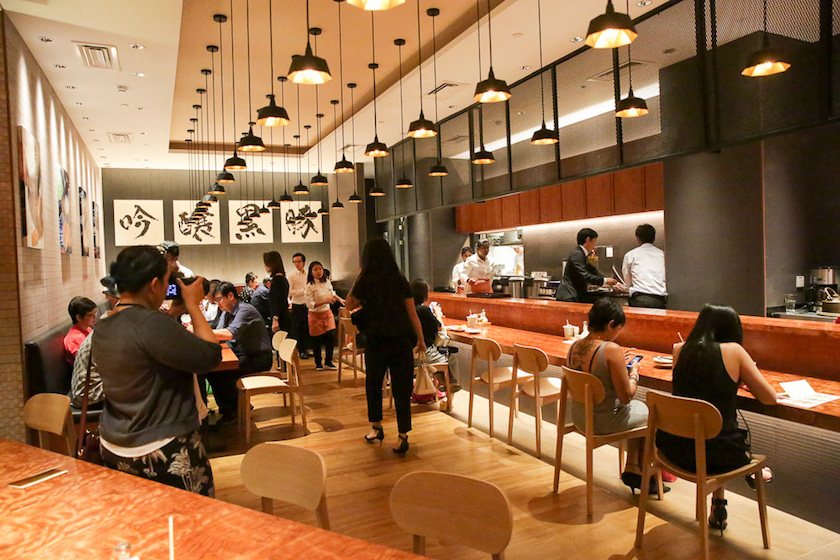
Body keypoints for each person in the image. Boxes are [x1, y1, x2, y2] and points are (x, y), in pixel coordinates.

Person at [92, 246, 221, 496]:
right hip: (161, 447)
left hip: (114, 443)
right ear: (154, 284)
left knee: (144, 524)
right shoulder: (151, 323)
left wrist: (173, 313)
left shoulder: (105, 323)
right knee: (193, 524)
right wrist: (193, 306)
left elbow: (147, 350)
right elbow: (210, 356)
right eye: (165, 282)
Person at [656, 304, 777, 533]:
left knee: (708, 430)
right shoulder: (734, 351)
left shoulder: (679, 349)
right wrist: (742, 376)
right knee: (719, 434)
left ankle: (718, 505)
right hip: (717, 456)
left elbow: (697, 386)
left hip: (674, 451)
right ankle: (750, 468)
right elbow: (769, 398)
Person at [565, 299, 662, 494]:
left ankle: (633, 467)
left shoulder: (574, 346)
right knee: (652, 413)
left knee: (638, 409)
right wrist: (634, 374)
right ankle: (649, 478)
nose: (617, 334)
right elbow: (626, 396)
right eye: (618, 329)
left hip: (579, 416)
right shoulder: (611, 350)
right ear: (610, 324)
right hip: (602, 422)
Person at [346, 238, 426, 455]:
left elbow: (348, 304)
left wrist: (360, 275)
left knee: (373, 385)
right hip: (401, 341)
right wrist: (421, 340)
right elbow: (412, 314)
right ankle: (403, 436)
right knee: (402, 389)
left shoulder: (365, 281)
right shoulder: (400, 280)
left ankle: (377, 428)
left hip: (376, 341)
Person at [210, 281, 273, 425]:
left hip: (259, 358)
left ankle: (233, 411)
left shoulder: (245, 310)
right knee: (212, 371)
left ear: (231, 296)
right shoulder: (227, 313)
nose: (218, 303)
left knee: (221, 373)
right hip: (244, 354)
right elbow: (219, 333)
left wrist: (201, 332)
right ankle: (235, 407)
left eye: (219, 299)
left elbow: (229, 334)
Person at [411, 279, 459, 386]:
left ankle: (436, 390)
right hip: (421, 355)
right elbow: (439, 327)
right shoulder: (423, 310)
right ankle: (450, 389)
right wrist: (437, 313)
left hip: (404, 356)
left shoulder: (404, 310)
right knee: (450, 358)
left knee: (439, 354)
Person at [305, 261, 344, 371]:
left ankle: (328, 361)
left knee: (330, 337)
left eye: (320, 269)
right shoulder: (309, 287)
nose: (318, 272)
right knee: (317, 340)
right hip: (315, 315)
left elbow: (332, 293)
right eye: (315, 269)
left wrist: (340, 299)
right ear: (311, 272)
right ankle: (318, 363)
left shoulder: (327, 282)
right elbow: (310, 305)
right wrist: (324, 301)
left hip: (327, 313)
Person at [564, 228, 619, 303]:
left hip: (575, 294)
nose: (595, 245)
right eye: (594, 241)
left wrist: (611, 281)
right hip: (570, 295)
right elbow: (584, 275)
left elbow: (593, 270)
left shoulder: (581, 254)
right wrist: (605, 281)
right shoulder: (577, 254)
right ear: (588, 240)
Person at [622, 224, 667, 309]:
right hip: (659, 300)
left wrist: (628, 288)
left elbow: (626, 277)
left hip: (639, 299)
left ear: (638, 238)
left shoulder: (631, 255)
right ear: (654, 238)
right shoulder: (663, 254)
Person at [288, 252, 312, 358]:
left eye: (299, 261)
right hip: (297, 305)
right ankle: (300, 351)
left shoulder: (308, 274)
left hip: (307, 305)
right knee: (298, 329)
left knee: (307, 328)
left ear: (304, 262)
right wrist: (303, 291)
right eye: (295, 262)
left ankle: (306, 350)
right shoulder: (291, 276)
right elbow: (289, 292)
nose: (297, 264)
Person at [263, 251, 291, 335]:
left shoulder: (278, 280)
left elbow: (278, 302)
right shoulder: (281, 278)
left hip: (281, 318)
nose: (264, 266)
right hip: (283, 316)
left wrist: (275, 319)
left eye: (266, 263)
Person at [64, 296, 97, 363]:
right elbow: (88, 361)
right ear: (79, 317)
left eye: (95, 313)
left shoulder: (87, 329)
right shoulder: (75, 338)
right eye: (91, 315)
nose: (95, 317)